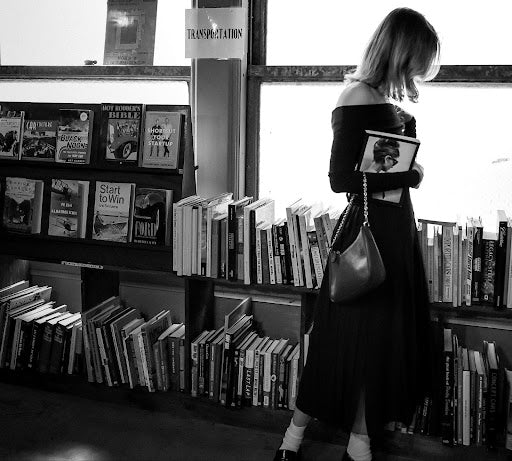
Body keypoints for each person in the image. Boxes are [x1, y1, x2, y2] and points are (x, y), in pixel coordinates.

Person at [273, 8, 440, 461]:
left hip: (393, 231)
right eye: (417, 60)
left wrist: (407, 168)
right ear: (401, 52)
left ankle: (357, 444)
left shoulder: (379, 96)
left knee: (378, 348)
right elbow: (340, 178)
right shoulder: (357, 94)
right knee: (340, 342)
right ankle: (292, 439)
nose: (418, 73)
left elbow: (387, 164)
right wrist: (412, 172)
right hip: (369, 234)